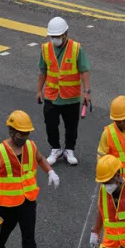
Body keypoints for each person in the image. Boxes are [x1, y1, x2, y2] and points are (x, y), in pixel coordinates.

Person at [0, 110, 60, 248]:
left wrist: (50, 171)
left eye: (27, 133)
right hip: (7, 201)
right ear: (11, 132)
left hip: (27, 198)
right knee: (6, 228)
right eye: (21, 133)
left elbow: (40, 159)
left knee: (28, 235)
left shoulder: (31, 147)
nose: (24, 137)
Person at [36, 16, 91, 166]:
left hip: (71, 97)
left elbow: (84, 70)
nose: (55, 39)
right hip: (51, 96)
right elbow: (42, 71)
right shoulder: (45, 49)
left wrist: (87, 91)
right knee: (50, 124)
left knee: (71, 126)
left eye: (57, 36)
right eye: (52, 36)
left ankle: (69, 149)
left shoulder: (76, 49)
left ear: (65, 34)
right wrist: (39, 90)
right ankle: (55, 149)